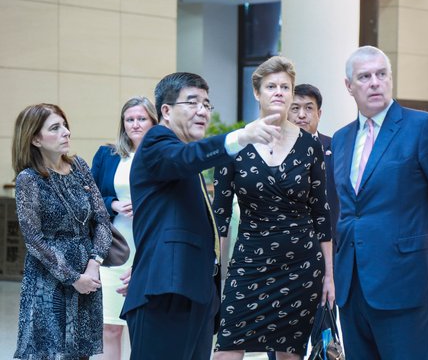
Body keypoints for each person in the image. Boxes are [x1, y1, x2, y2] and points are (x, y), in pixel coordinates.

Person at [120, 72, 281, 360]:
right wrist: (241, 137)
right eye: (192, 102)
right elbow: (187, 158)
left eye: (207, 104)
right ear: (166, 111)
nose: (202, 111)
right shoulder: (157, 141)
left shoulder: (182, 157)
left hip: (193, 291)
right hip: (167, 291)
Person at [331, 45, 428, 360]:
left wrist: (426, 244)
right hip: (352, 284)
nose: (375, 82)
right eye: (364, 76)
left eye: (382, 74)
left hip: (406, 278)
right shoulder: (341, 139)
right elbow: (346, 207)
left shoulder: (422, 127)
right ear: (349, 86)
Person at [212, 57, 334, 360]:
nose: (279, 92)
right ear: (257, 93)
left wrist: (329, 276)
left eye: (285, 87)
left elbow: (321, 213)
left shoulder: (309, 145)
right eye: (271, 86)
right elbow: (221, 218)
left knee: (289, 353)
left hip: (301, 265)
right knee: (226, 347)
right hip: (249, 261)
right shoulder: (235, 144)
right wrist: (220, 275)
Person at [12, 104, 112, 359]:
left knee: (80, 352)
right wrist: (73, 278)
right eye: (55, 128)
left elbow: (101, 219)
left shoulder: (79, 166)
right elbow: (33, 239)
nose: (66, 132)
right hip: (49, 279)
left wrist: (93, 264)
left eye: (65, 125)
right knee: (50, 352)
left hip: (88, 274)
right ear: (35, 138)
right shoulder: (29, 179)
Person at [91, 96, 158, 359]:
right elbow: (91, 198)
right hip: (115, 247)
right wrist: (114, 204)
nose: (135, 124)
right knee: (110, 326)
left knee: (144, 326)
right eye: (129, 119)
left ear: (154, 121)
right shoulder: (107, 155)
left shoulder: (161, 157)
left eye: (142, 118)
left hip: (150, 248)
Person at [287, 83, 340, 349]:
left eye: (309, 108)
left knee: (324, 330)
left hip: (327, 255)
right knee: (283, 333)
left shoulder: (335, 149)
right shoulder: (274, 150)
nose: (301, 115)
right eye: (294, 108)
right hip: (285, 257)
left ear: (319, 113)